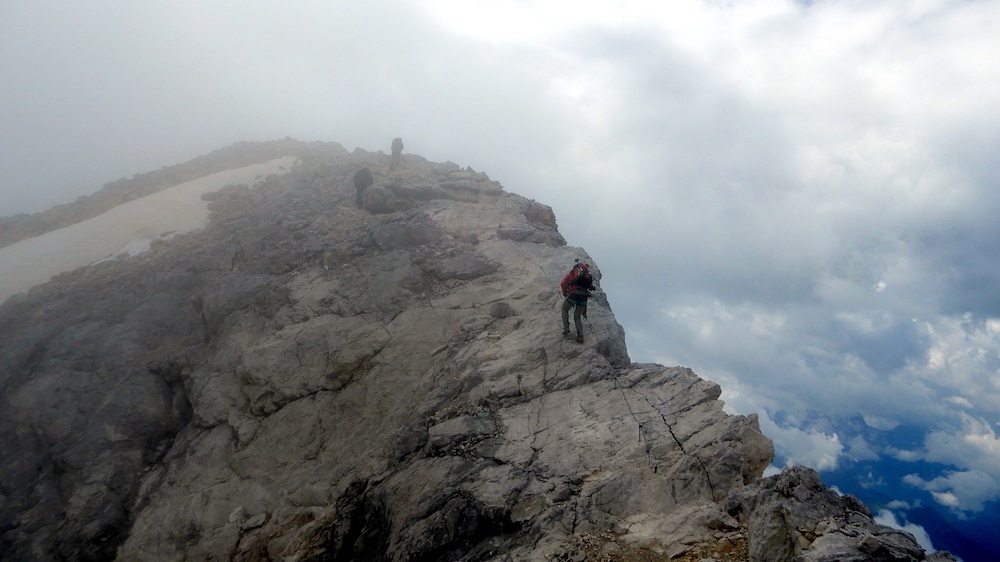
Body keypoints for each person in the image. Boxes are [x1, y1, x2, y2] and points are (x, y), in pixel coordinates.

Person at [561, 262, 595, 343]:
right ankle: (580, 335)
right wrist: (584, 311)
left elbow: (563, 283)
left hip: (574, 293)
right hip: (584, 296)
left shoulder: (572, 273)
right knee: (577, 316)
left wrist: (565, 293)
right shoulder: (586, 275)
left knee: (564, 309)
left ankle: (566, 328)